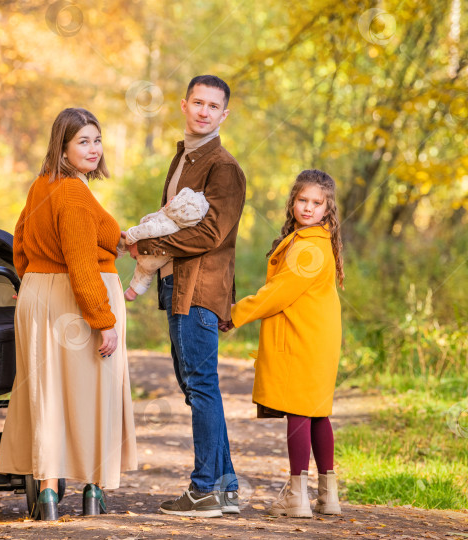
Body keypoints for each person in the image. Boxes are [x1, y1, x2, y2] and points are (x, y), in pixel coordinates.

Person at [0, 108, 137, 521]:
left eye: (97, 140)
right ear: (62, 147)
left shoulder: (41, 187)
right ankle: (92, 490)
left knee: (48, 392)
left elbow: (20, 245)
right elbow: (80, 261)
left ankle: (47, 494)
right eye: (83, 142)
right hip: (76, 301)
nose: (93, 149)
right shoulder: (73, 193)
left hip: (38, 295)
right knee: (92, 392)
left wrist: (39, 284)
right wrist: (103, 319)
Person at [126, 75, 246, 518]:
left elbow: (211, 233)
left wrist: (149, 247)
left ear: (224, 115)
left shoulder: (224, 167)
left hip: (200, 288)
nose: (204, 111)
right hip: (179, 286)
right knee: (197, 386)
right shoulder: (185, 157)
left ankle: (203, 489)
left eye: (213, 106)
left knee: (200, 386)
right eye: (198, 102)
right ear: (184, 105)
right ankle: (224, 488)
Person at [228, 169, 344, 518]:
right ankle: (328, 495)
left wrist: (234, 314)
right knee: (317, 412)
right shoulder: (318, 241)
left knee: (299, 411)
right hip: (318, 335)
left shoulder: (308, 248)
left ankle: (297, 495)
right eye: (302, 200)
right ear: (293, 202)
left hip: (302, 337)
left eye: (316, 203)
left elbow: (276, 295)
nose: (308, 208)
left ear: (327, 209)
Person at [119, 187, 209, 301]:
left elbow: (147, 229)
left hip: (146, 252)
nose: (171, 198)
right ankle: (133, 291)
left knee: (125, 240)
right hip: (155, 263)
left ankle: (120, 247)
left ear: (175, 208)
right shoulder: (178, 230)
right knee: (145, 274)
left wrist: (130, 236)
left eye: (174, 199)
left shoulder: (166, 222)